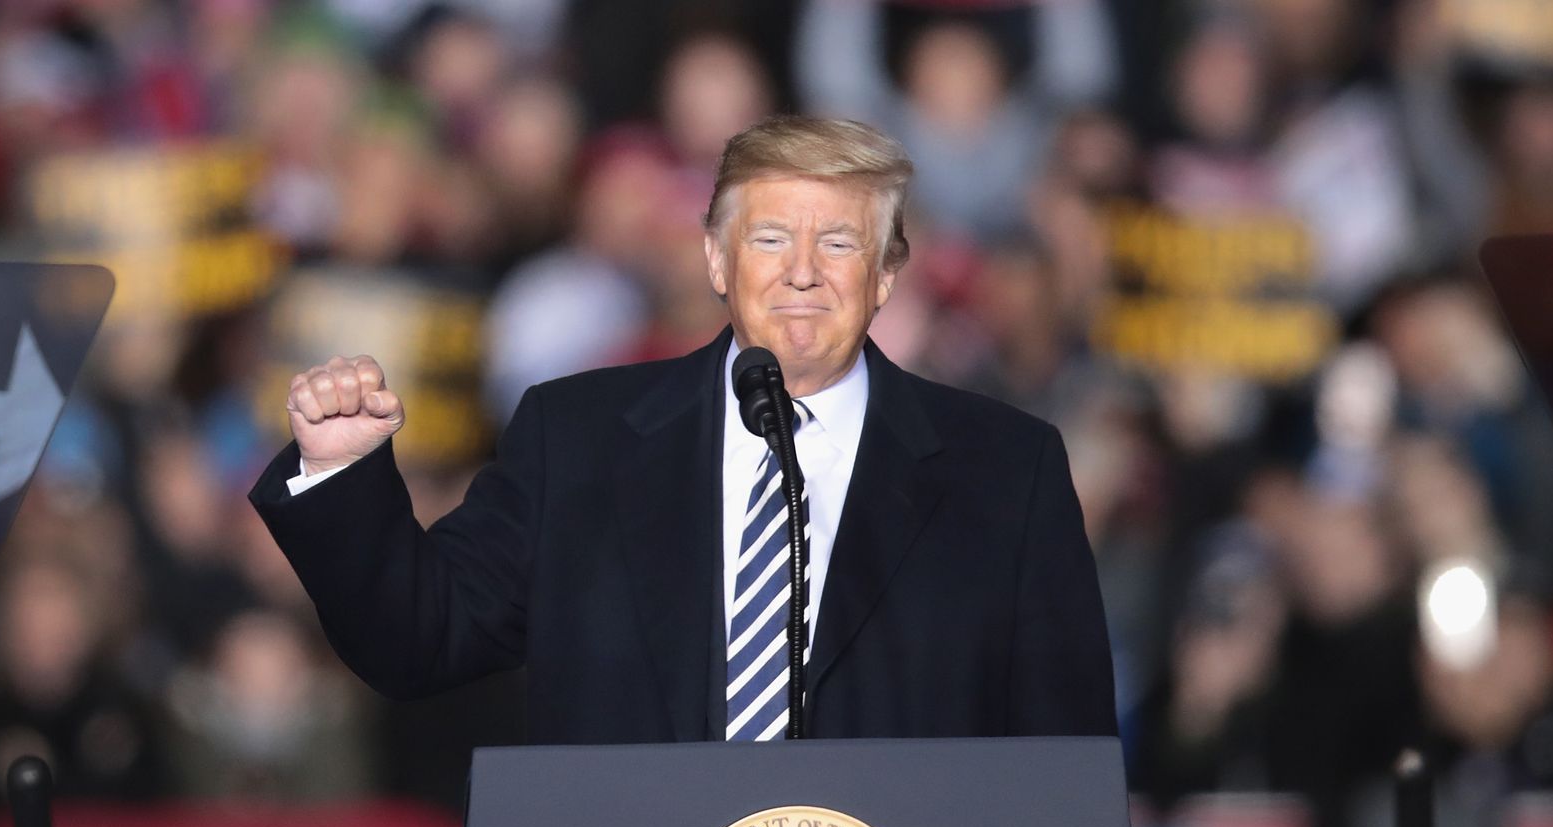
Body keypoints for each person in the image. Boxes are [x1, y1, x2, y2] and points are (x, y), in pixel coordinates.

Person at [249, 115, 1114, 743]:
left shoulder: (1006, 469)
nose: (803, 273)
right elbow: (419, 639)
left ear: (887, 274)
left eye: (839, 244)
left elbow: (1063, 757)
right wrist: (342, 478)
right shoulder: (575, 440)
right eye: (770, 239)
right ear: (715, 260)